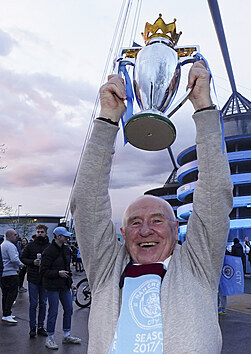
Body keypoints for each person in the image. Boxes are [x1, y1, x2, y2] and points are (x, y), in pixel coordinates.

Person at [70, 61, 232, 353]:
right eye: (134, 222)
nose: (145, 230)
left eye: (157, 220)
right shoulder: (106, 267)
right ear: (123, 232)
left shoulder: (198, 264)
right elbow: (87, 203)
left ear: (176, 228)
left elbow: (214, 195)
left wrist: (204, 110)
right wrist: (107, 120)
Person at [41, 226, 82, 349]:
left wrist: (70, 283)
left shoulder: (66, 250)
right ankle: (50, 338)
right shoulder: (48, 251)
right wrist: (57, 273)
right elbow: (43, 271)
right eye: (65, 236)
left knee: (69, 309)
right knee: (53, 311)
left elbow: (67, 269)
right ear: (58, 237)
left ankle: (66, 335)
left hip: (64, 286)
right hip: (52, 286)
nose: (68, 238)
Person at [20, 224, 51, 337]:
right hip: (33, 278)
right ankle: (32, 328)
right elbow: (22, 258)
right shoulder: (30, 245)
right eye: (38, 232)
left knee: (43, 303)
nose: (39, 234)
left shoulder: (49, 246)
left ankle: (40, 326)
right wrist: (32, 262)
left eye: (42, 232)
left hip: (44, 278)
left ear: (46, 233)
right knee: (33, 304)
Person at [1, 229, 24, 324]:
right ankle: (7, 314)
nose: (17, 236)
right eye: (15, 235)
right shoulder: (10, 246)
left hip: (4, 273)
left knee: (5, 294)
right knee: (12, 294)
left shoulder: (2, 245)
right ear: (9, 235)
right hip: (11, 273)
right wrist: (22, 265)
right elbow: (14, 259)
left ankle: (6, 313)